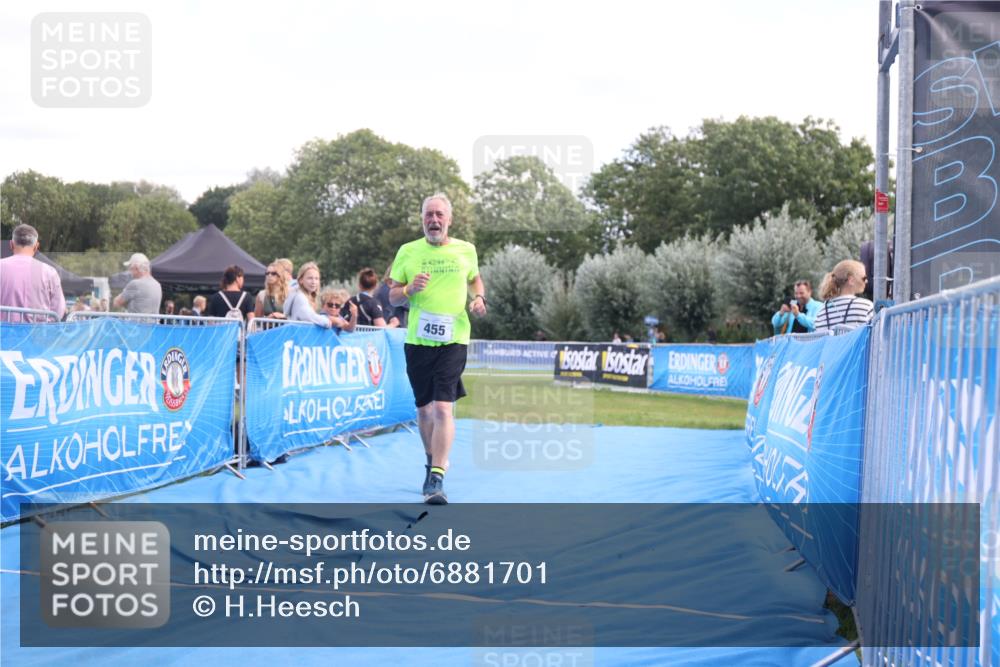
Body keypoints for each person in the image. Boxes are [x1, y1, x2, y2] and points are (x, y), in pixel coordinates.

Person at [388, 193, 487, 505]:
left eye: (439, 215)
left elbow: (475, 280)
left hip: (454, 338)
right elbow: (391, 297)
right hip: (418, 340)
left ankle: (438, 477)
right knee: (424, 409)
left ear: (449, 220)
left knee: (443, 406)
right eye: (428, 215)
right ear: (422, 220)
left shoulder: (466, 250)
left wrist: (480, 298)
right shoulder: (407, 251)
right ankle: (432, 460)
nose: (434, 220)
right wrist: (407, 289)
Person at [0, 224, 66, 320]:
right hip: (38, 333)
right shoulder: (49, 272)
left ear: (11, 244)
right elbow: (58, 311)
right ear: (36, 246)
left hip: (4, 333)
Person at [283, 262, 355, 329]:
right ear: (301, 280)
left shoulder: (302, 295)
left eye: (316, 278)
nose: (313, 282)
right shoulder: (300, 297)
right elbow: (308, 316)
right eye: (310, 278)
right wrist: (328, 321)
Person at [814, 260, 875, 331]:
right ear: (851, 280)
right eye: (864, 278)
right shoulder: (866, 306)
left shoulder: (821, 311)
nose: (866, 281)